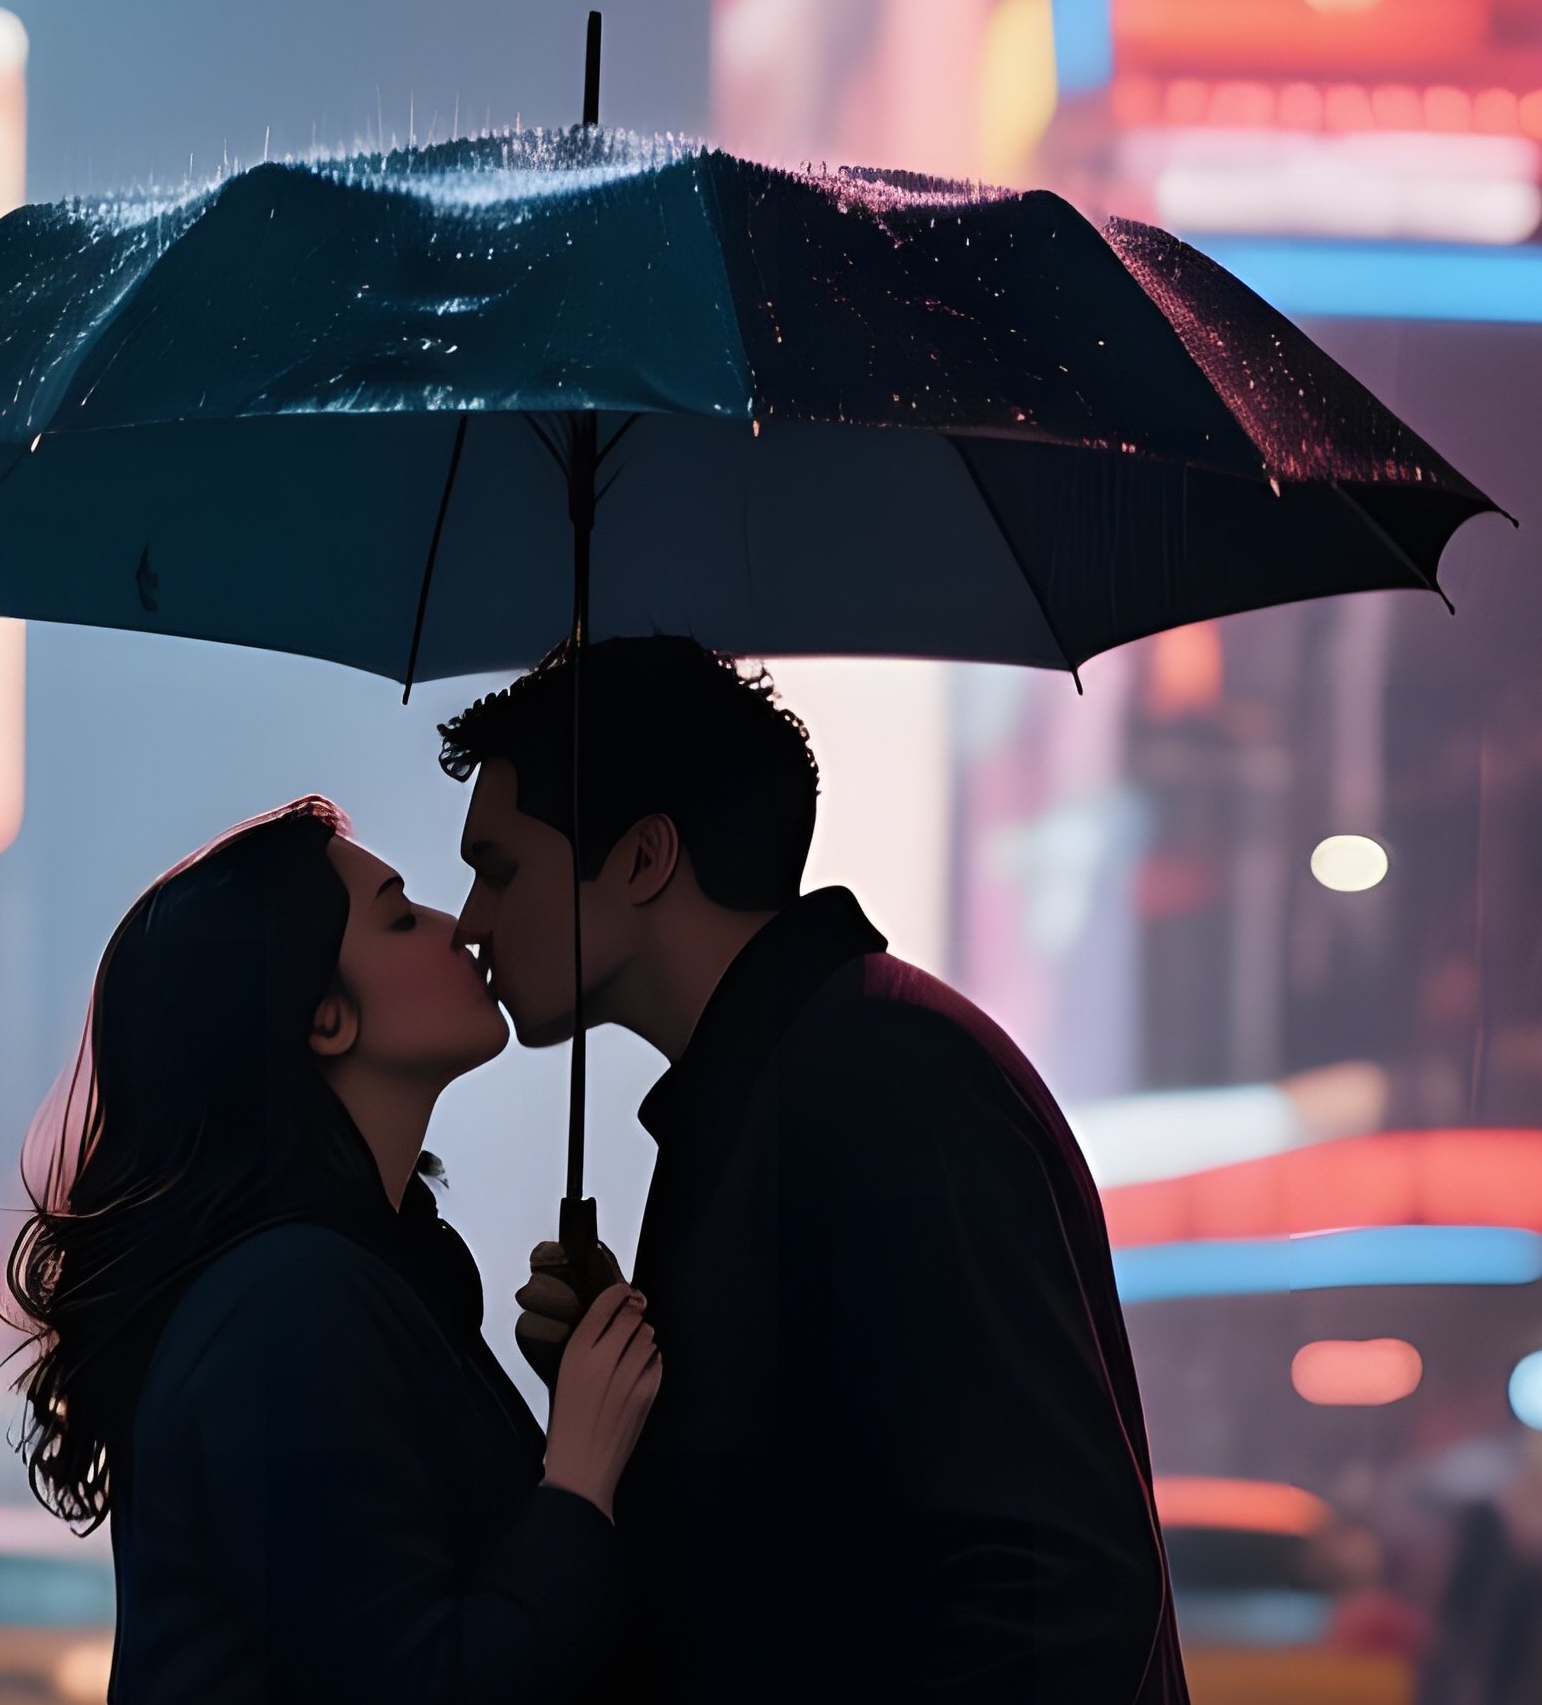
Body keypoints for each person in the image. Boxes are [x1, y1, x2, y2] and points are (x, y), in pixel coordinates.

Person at [440, 636, 1189, 1703]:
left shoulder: (885, 1075)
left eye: (500, 868)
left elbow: (1050, 1590)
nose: (470, 921)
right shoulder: (777, 1081)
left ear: (646, 858)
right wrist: (643, 1388)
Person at [0, 793, 661, 1704]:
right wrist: (579, 1474)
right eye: (400, 916)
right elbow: (424, 1678)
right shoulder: (288, 1302)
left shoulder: (362, 1274)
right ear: (326, 1018)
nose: (460, 926)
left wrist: (570, 1403)